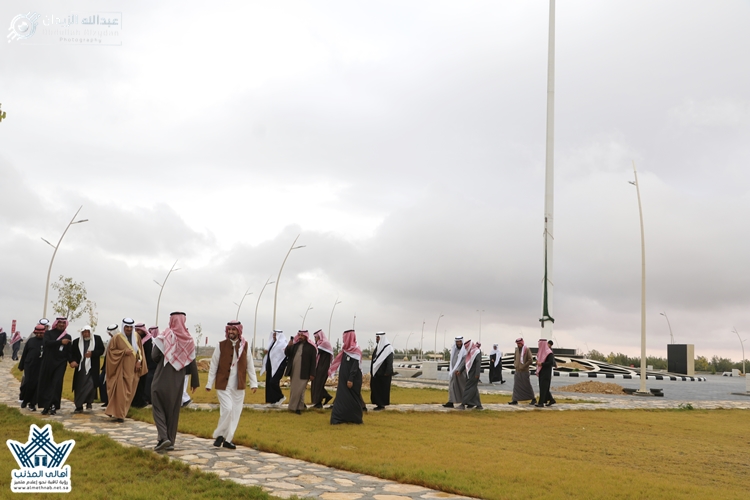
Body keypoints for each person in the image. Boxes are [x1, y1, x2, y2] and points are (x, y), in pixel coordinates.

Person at [206, 320, 257, 449]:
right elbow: (213, 365)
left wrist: (254, 383)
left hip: (238, 386)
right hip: (223, 385)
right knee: (228, 409)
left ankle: (227, 439)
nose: (231, 332)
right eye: (229, 329)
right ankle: (219, 434)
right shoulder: (220, 345)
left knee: (235, 413)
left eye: (233, 329)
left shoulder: (245, 346)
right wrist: (209, 383)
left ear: (239, 331)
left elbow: (250, 365)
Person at [151, 312, 199, 451]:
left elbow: (154, 356)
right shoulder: (188, 340)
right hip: (178, 381)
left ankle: (163, 438)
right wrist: (194, 382)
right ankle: (170, 441)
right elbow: (192, 362)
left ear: (171, 320)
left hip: (161, 377)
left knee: (158, 406)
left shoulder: (164, 336)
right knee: (173, 411)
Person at [105, 318, 148, 422]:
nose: (128, 329)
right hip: (120, 370)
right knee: (121, 394)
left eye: (130, 327)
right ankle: (120, 415)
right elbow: (111, 353)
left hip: (133, 370)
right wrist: (123, 352)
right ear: (123, 327)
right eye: (126, 327)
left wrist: (139, 361)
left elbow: (140, 352)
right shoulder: (117, 338)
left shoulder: (136, 336)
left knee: (129, 393)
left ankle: (122, 412)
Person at [37, 317, 72, 415]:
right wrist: (60, 342)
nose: (61, 325)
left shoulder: (67, 336)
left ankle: (54, 405)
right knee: (47, 383)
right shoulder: (48, 333)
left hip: (60, 363)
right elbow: (46, 343)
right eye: (59, 323)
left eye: (63, 323)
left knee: (56, 384)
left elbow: (69, 351)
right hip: (48, 362)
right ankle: (46, 406)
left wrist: (71, 361)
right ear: (56, 324)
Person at [329, 330, 364, 425]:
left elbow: (355, 367)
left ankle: (355, 418)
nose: (343, 340)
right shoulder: (345, 351)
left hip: (352, 381)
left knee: (353, 399)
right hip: (344, 380)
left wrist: (350, 379)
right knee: (342, 398)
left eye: (345, 338)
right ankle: (338, 418)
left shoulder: (356, 351)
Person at [69, 325, 105, 413]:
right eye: (84, 332)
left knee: (91, 384)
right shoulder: (76, 342)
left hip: (92, 367)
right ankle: (79, 405)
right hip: (80, 368)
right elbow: (72, 354)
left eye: (88, 332)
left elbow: (101, 350)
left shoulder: (97, 339)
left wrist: (92, 354)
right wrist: (73, 361)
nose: (86, 334)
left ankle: (89, 402)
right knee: (79, 385)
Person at [284, 330, 317, 414]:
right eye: (299, 335)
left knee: (299, 390)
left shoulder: (311, 348)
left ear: (306, 336)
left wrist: (312, 374)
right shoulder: (295, 346)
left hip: (305, 372)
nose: (300, 337)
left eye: (302, 335)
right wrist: (289, 346)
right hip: (294, 371)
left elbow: (313, 362)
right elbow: (287, 353)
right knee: (296, 390)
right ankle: (299, 407)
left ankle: (294, 407)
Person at [18, 324, 46, 411]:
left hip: (40, 366)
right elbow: (25, 353)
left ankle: (32, 403)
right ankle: (25, 399)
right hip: (29, 365)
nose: (39, 334)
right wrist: (21, 365)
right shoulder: (30, 341)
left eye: (41, 333)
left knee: (37, 385)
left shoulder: (46, 342)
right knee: (27, 383)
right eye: (38, 333)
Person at [260, 330, 287, 406]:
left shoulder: (283, 344)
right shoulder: (272, 344)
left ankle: (280, 397)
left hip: (279, 367)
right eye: (273, 335)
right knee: (269, 383)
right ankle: (273, 401)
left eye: (275, 335)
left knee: (273, 382)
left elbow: (282, 356)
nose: (274, 336)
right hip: (271, 367)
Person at [370, 331, 394, 411]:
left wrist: (387, 372)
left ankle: (381, 405)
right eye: (376, 337)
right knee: (376, 389)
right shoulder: (378, 348)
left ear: (382, 338)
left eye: (378, 337)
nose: (376, 339)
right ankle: (378, 404)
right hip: (377, 374)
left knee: (383, 390)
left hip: (384, 374)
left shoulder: (388, 348)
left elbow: (389, 362)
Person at [131, 323, 153, 408]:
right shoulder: (136, 339)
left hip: (144, 365)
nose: (137, 332)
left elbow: (148, 354)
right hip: (135, 364)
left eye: (139, 330)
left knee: (141, 384)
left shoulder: (148, 340)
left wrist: (142, 363)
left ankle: (140, 402)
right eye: (136, 330)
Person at [509, 337, 536, 405]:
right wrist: (516, 365)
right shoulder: (517, 350)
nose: (518, 345)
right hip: (517, 371)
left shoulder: (526, 349)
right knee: (516, 386)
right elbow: (515, 358)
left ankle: (533, 399)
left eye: (519, 344)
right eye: (517, 344)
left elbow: (530, 360)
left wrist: (523, 366)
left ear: (522, 343)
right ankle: (515, 400)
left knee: (527, 386)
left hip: (524, 371)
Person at [311, 330, 333, 408]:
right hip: (318, 367)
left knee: (318, 384)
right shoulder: (319, 344)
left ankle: (319, 403)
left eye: (316, 337)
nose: (315, 339)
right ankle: (324, 397)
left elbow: (317, 350)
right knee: (316, 384)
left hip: (323, 367)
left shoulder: (325, 344)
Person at [443, 336, 466, 408]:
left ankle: (467, 402)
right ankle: (451, 401)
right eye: (457, 342)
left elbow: (464, 362)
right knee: (452, 386)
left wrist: (459, 369)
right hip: (453, 372)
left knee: (462, 388)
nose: (458, 343)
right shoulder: (454, 350)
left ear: (462, 342)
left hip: (461, 373)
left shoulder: (464, 351)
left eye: (460, 341)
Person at [99, 323, 119, 407]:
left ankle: (110, 401)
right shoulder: (111, 340)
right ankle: (106, 400)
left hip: (114, 365)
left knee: (110, 384)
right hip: (107, 365)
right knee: (102, 381)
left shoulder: (119, 340)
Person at [462, 340, 483, 410]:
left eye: (466, 347)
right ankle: (478, 405)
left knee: (468, 388)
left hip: (474, 374)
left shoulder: (476, 352)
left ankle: (463, 404)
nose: (466, 348)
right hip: (470, 373)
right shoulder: (470, 352)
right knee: (474, 389)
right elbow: (466, 363)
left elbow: (478, 363)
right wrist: (460, 370)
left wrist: (477, 374)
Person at [535, 339, 556, 407]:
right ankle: (551, 400)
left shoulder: (549, 353)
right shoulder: (541, 352)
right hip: (541, 372)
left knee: (543, 388)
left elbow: (551, 362)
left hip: (546, 373)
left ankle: (541, 403)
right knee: (544, 388)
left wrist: (542, 364)